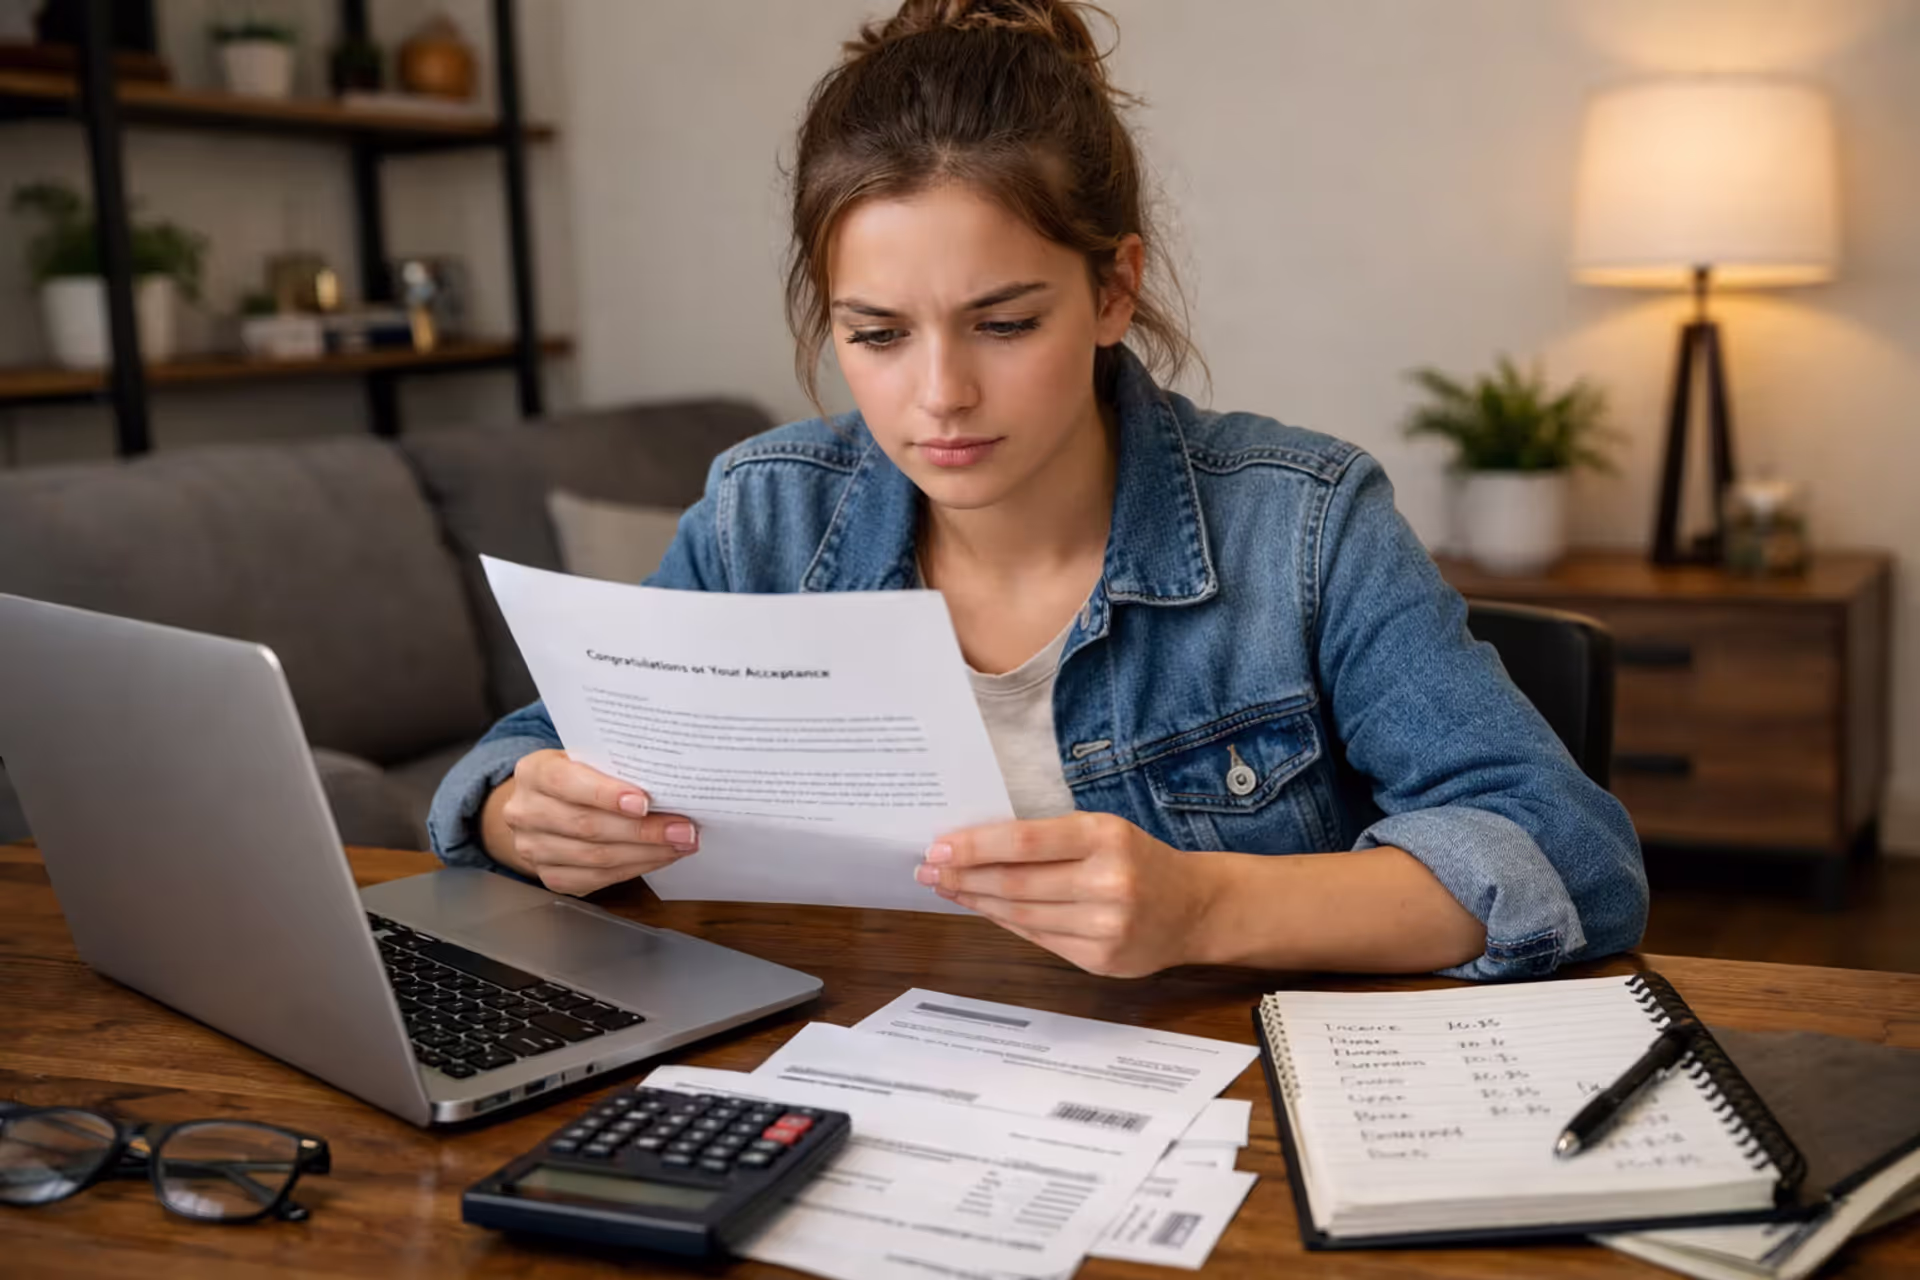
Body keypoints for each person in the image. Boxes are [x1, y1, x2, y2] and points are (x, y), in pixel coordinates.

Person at [428, 0, 1646, 982]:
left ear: (1115, 289)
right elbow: (532, 753)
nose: (939, 395)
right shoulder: (766, 514)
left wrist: (1209, 904)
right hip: (853, 1081)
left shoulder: (1306, 523)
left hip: (1235, 1121)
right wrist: (523, 815)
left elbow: (1574, 860)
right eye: (878, 333)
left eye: (1003, 322)